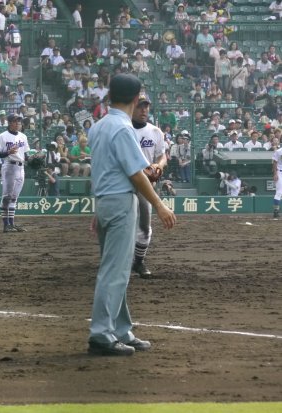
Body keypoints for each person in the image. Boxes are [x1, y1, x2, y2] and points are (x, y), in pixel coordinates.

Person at [87, 73, 175, 356]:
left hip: (105, 201)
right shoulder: (123, 129)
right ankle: (101, 333)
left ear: (110, 96)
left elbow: (103, 170)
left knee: (118, 270)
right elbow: (136, 175)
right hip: (121, 202)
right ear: (136, 98)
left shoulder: (99, 126)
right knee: (115, 272)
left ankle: (122, 330)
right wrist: (159, 205)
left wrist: (97, 208)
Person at [131, 92, 167, 278]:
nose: (144, 109)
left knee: (144, 227)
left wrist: (158, 166)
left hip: (145, 184)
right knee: (121, 226)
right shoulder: (124, 129)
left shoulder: (155, 132)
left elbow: (162, 155)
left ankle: (138, 262)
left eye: (146, 106)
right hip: (124, 184)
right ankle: (119, 260)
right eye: (140, 105)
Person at [0, 113, 30, 233]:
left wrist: (34, 158)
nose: (18, 123)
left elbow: (26, 155)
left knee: (14, 198)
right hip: (9, 167)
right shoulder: (3, 136)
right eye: (15, 121)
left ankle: (12, 224)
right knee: (6, 197)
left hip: (21, 168)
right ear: (9, 123)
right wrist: (8, 152)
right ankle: (6, 225)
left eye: (19, 121)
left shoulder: (23, 136)